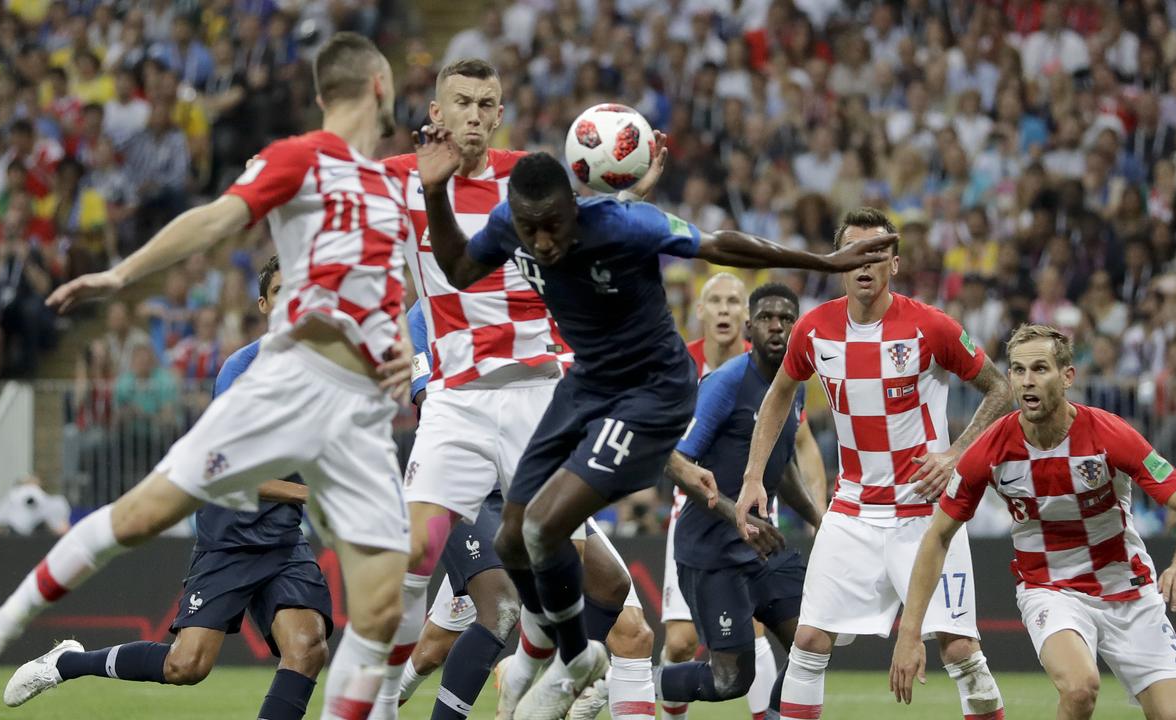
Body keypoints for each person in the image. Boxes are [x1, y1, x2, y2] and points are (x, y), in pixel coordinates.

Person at [0, 33, 414, 720]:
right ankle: (0, 637)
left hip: (339, 441)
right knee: (174, 625)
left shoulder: (396, 182)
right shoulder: (299, 161)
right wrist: (121, 274)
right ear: (380, 87)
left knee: (342, 631)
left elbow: (415, 276)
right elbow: (213, 218)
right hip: (251, 486)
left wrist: (398, 343)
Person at [415, 126, 897, 718]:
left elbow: (724, 244)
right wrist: (436, 194)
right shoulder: (509, 224)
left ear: (574, 207)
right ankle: (550, 654)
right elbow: (459, 269)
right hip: (588, 383)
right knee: (514, 535)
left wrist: (822, 262)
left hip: (651, 394)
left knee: (542, 529)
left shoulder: (620, 225)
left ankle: (572, 663)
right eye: (529, 228)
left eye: (553, 226)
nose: (541, 242)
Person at [375, 58, 660, 720]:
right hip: (455, 399)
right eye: (461, 102)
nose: (474, 114)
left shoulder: (529, 181)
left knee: (585, 575)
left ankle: (539, 669)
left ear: (499, 114)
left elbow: (603, 221)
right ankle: (385, 701)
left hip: (539, 397)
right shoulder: (400, 181)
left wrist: (638, 186)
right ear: (436, 114)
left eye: (486, 103)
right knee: (414, 553)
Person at [4, 256, 334, 720]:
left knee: (307, 648)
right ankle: (67, 662)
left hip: (282, 538)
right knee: (186, 665)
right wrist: (312, 496)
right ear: (263, 304)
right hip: (233, 537)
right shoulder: (240, 372)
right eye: (281, 291)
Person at [737, 207, 1012, 720]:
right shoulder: (815, 330)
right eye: (854, 254)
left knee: (958, 649)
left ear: (895, 264)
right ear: (839, 263)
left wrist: (956, 453)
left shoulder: (931, 327)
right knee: (810, 639)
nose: (865, 264)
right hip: (854, 510)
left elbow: (1000, 388)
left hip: (927, 515)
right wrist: (753, 476)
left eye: (877, 253)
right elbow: (778, 397)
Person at [891, 324, 1176, 720]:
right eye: (1018, 370)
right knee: (1080, 689)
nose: (1027, 381)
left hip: (1128, 589)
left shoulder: (1110, 434)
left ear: (1067, 376)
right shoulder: (990, 449)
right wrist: (909, 634)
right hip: (1050, 589)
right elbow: (937, 537)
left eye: (1040, 369)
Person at [660, 283, 823, 713]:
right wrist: (738, 516)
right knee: (731, 679)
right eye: (766, 317)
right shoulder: (726, 383)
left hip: (763, 548)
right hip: (711, 552)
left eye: (786, 318)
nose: (776, 326)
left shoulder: (797, 385)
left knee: (813, 640)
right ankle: (639, 682)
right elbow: (674, 462)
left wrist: (821, 519)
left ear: (798, 326)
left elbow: (783, 463)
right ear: (750, 326)